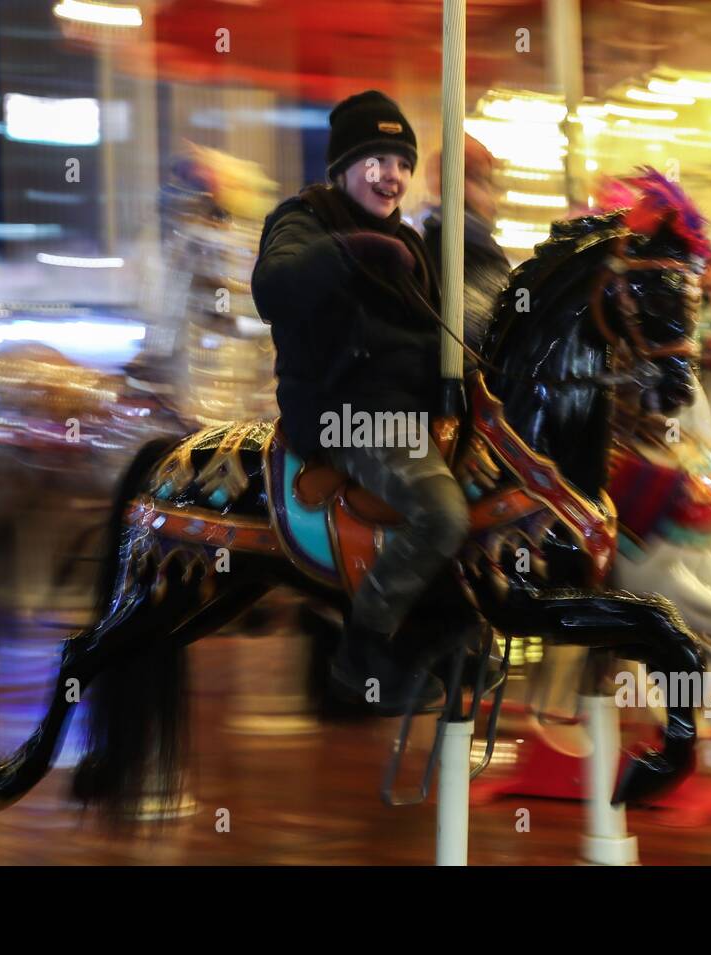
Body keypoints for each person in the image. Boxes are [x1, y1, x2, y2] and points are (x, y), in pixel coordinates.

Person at [251, 90, 470, 712]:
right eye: (376, 160)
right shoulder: (304, 219)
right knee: (442, 512)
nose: (393, 175)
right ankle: (363, 648)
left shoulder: (410, 242)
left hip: (407, 408)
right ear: (342, 168)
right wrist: (347, 253)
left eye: (402, 161)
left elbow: (431, 331)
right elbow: (274, 287)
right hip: (347, 413)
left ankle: (448, 635)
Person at [421, 135, 511, 367]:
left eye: (489, 183)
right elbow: (466, 324)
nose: (492, 197)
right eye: (481, 181)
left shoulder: (486, 247)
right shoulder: (443, 246)